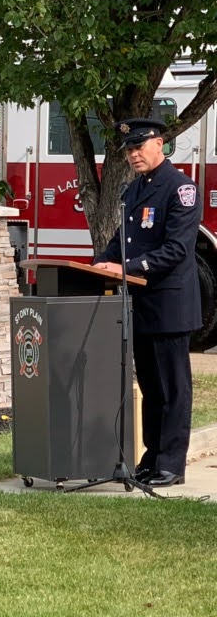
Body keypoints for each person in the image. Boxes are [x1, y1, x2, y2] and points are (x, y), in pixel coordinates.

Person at [92, 118, 202, 488]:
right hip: (139, 304)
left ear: (160, 144)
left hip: (169, 305)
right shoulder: (134, 190)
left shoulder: (181, 189)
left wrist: (125, 266)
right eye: (128, 150)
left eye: (139, 147)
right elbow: (122, 240)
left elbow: (176, 249)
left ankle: (172, 464)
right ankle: (151, 459)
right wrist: (95, 264)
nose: (133, 155)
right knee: (151, 390)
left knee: (173, 390)